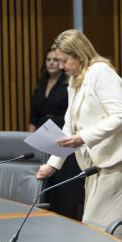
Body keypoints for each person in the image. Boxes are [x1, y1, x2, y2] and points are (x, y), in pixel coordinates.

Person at [35, 29, 122, 238]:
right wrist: (52, 164)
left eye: (64, 60)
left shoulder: (101, 72)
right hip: (96, 162)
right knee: (121, 223)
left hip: (117, 158)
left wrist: (83, 138)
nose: (61, 66)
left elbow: (121, 116)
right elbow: (69, 127)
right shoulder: (75, 80)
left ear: (78, 54)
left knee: (103, 224)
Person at [29, 47, 84, 220]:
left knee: (64, 185)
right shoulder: (40, 84)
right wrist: (30, 141)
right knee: (47, 182)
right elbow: (33, 116)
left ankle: (68, 220)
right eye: (49, 60)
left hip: (63, 136)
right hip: (42, 137)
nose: (53, 63)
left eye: (56, 59)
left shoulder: (68, 82)